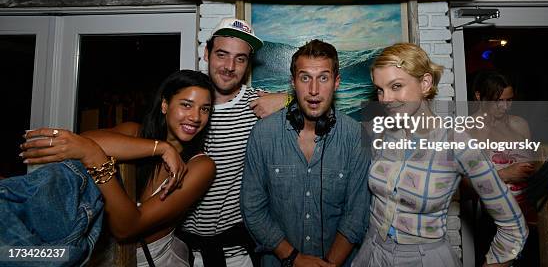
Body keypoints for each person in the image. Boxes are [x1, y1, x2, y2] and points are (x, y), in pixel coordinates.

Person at [353, 43, 527, 267]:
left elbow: (514, 228)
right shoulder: (381, 133)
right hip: (373, 253)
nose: (385, 99)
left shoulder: (456, 142)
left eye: (396, 86)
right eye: (380, 89)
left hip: (424, 259)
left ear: (425, 83)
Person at [20, 70, 217, 267]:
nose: (196, 117)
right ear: (165, 105)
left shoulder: (201, 166)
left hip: (156, 261)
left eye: (205, 109)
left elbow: (128, 228)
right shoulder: (135, 133)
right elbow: (78, 143)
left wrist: (96, 160)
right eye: (186, 105)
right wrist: (161, 148)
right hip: (103, 257)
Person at [241, 39, 370, 267]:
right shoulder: (263, 134)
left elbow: (357, 214)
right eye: (305, 78)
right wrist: (293, 258)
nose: (313, 90)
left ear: (336, 82)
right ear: (293, 82)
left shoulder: (356, 136)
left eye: (323, 77)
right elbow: (253, 208)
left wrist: (328, 264)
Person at [179, 18, 287, 267]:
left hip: (238, 255)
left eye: (240, 58)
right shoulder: (185, 101)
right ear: (206, 53)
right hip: (181, 251)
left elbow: (322, 104)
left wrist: (287, 98)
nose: (230, 66)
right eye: (222, 54)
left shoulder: (257, 104)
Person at [470, 71, 537, 266]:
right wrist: (505, 174)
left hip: (530, 213)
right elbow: (462, 185)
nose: (504, 106)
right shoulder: (467, 130)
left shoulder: (520, 124)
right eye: (497, 100)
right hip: (494, 219)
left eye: (509, 100)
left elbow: (530, 164)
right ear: (478, 96)